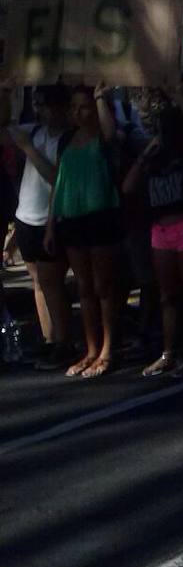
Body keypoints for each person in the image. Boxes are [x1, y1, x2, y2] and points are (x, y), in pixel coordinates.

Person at [122, 95, 183, 377]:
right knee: (167, 297)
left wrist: (178, 92)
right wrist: (145, 154)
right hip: (161, 230)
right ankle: (168, 352)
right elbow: (128, 186)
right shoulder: (154, 158)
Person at [45, 84, 124, 378]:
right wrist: (50, 226)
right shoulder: (67, 138)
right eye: (74, 107)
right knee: (84, 288)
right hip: (72, 219)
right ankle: (91, 349)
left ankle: (108, 348)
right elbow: (59, 182)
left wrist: (102, 97)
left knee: (105, 287)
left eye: (84, 106)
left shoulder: (103, 136)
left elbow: (110, 133)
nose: (79, 113)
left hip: (101, 217)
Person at [1, 86, 75, 369]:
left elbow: (57, 176)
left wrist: (29, 151)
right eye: (38, 104)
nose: (41, 110)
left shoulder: (68, 138)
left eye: (44, 104)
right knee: (38, 284)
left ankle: (63, 342)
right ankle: (49, 339)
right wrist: (6, 93)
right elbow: (5, 128)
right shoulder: (34, 130)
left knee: (52, 283)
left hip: (50, 218)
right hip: (26, 216)